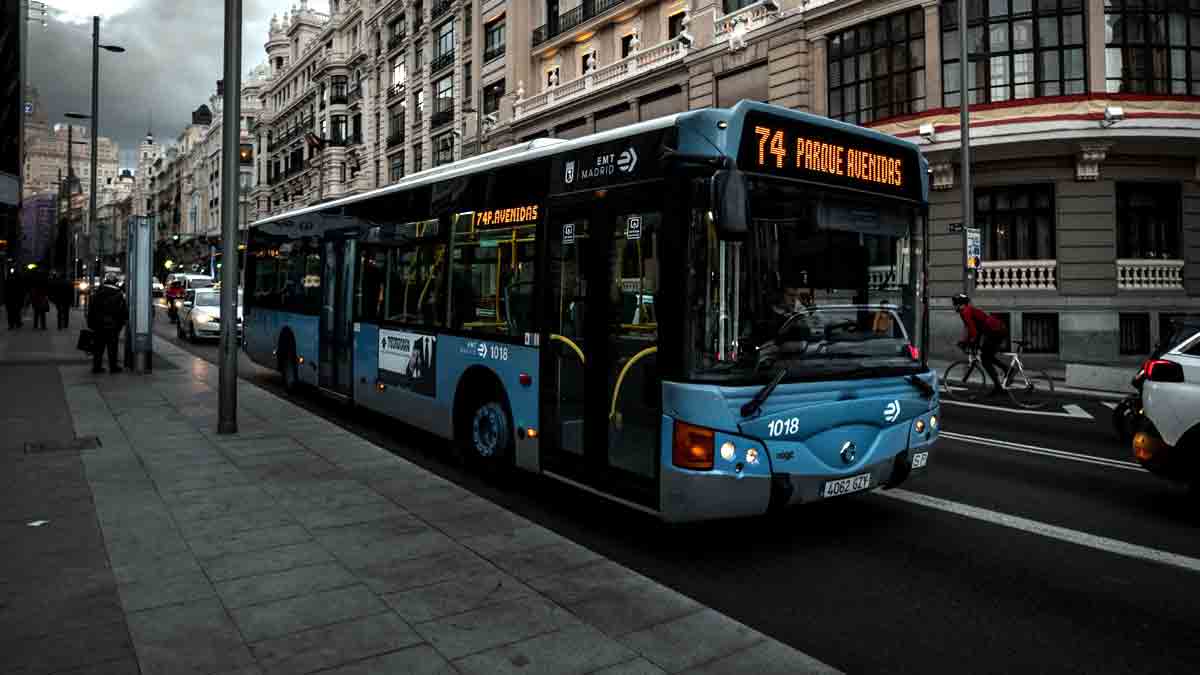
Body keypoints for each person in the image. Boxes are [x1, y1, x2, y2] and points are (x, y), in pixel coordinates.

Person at [953, 293, 1008, 395]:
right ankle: (1000, 382)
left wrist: (967, 343)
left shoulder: (965, 312)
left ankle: (1004, 376)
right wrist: (968, 341)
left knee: (985, 358)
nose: (954, 306)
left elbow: (973, 331)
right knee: (987, 356)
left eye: (955, 304)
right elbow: (972, 330)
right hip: (995, 330)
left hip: (995, 331)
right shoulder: (966, 311)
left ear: (961, 304)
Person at [88, 274, 128, 374]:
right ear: (115, 282)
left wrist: (91, 323)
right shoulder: (119, 294)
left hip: (98, 324)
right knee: (113, 347)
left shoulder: (97, 293)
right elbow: (123, 311)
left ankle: (96, 367)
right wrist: (121, 324)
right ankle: (113, 367)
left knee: (98, 347)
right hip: (113, 325)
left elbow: (91, 310)